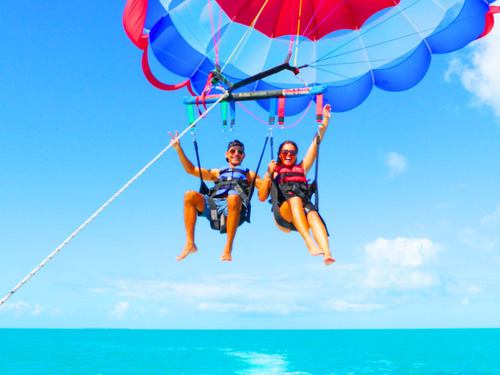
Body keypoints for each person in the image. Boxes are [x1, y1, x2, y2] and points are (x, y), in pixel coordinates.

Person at [258, 104, 335, 265]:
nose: (288, 155)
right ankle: (309, 243)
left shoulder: (301, 168)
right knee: (295, 200)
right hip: (284, 216)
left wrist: (325, 122)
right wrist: (268, 173)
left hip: (303, 213)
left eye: (292, 152)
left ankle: (327, 254)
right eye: (285, 152)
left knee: (313, 214)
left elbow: (315, 145)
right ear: (279, 155)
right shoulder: (275, 170)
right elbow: (261, 197)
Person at [169, 132, 263, 262]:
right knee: (189, 195)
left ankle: (228, 247)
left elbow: (265, 189)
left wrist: (270, 174)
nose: (236, 153)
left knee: (233, 198)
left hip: (234, 209)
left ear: (243, 156)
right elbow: (191, 170)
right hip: (214, 209)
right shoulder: (216, 173)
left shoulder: (249, 174)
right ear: (227, 154)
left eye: (240, 152)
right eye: (233, 151)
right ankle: (190, 243)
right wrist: (179, 149)